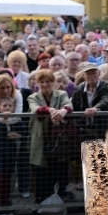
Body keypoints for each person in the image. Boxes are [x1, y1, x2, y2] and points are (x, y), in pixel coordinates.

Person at [28, 69, 75, 203]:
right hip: (40, 138)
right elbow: (35, 109)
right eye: (42, 82)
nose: (45, 84)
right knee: (41, 172)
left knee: (59, 169)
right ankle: (42, 204)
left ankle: (60, 203)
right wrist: (50, 110)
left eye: (48, 81)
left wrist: (62, 112)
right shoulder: (33, 97)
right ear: (38, 83)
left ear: (53, 82)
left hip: (59, 140)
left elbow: (68, 104)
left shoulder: (61, 94)